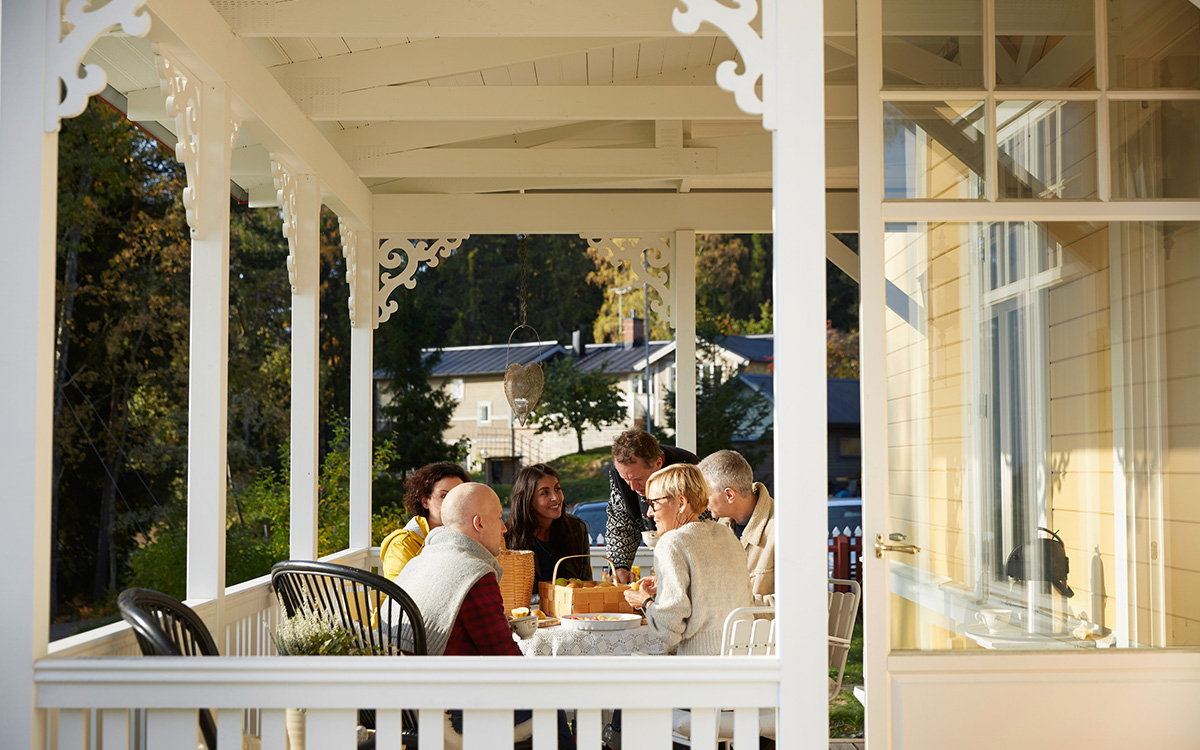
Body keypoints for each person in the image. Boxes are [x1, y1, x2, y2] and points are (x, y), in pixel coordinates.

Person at [396, 483, 576, 749]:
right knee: (549, 705)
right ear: (479, 523)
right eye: (499, 519)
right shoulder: (472, 573)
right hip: (448, 711)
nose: (504, 528)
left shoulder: (419, 563)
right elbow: (506, 661)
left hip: (400, 702)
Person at [622, 463, 753, 655]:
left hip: (699, 666)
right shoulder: (725, 534)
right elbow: (719, 591)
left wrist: (645, 603)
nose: (649, 513)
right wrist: (664, 583)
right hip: (742, 658)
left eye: (653, 503)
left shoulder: (671, 543)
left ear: (681, 503)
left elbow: (669, 631)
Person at [605, 429, 699, 583]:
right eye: (626, 480)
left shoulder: (689, 468)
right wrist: (619, 565)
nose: (633, 487)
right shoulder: (619, 474)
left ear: (658, 463)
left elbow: (702, 528)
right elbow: (621, 522)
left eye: (639, 479)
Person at [699, 449, 775, 606]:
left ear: (729, 495)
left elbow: (799, 602)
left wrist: (729, 604)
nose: (702, 501)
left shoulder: (782, 530)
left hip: (765, 630)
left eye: (706, 494)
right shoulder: (721, 527)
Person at [379, 461, 469, 581]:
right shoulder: (403, 544)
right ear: (425, 501)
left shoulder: (465, 537)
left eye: (458, 495)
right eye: (443, 496)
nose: (452, 503)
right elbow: (400, 595)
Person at [504, 464, 592, 586]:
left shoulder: (576, 529)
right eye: (544, 493)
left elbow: (586, 583)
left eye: (557, 489)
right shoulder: (508, 537)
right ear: (527, 500)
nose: (555, 498)